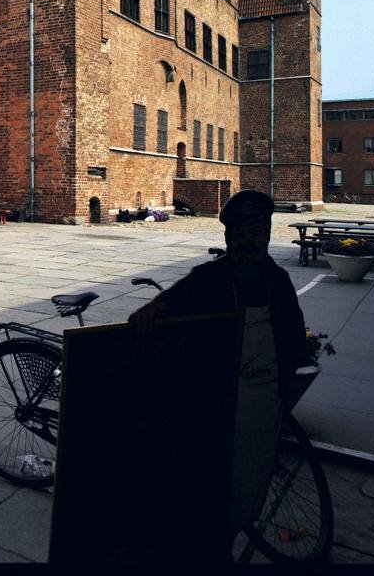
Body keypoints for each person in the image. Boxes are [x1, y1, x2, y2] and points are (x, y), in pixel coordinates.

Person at [128, 189, 308, 552]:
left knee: (250, 476)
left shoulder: (279, 284)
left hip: (262, 401)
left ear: (268, 234)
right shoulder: (211, 278)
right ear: (228, 237)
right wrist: (154, 310)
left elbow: (293, 341)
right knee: (213, 479)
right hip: (219, 399)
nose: (247, 241)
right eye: (239, 233)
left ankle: (230, 530)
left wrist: (283, 386)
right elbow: (173, 301)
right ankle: (213, 543)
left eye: (255, 233)